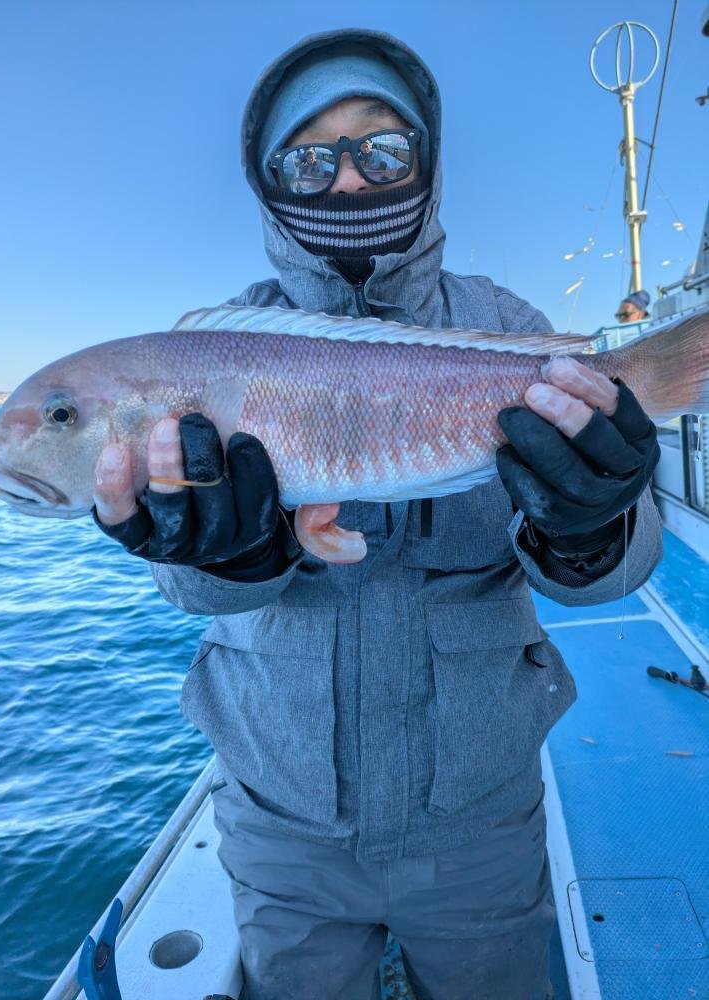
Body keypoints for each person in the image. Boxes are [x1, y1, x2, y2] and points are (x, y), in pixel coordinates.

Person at [91, 29, 662, 1000]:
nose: (349, 181)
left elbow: (615, 571)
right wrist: (225, 557)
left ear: (426, 164)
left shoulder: (510, 329)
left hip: (481, 815)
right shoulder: (210, 350)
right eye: (309, 160)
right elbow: (186, 587)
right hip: (281, 820)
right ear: (268, 185)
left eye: (382, 150)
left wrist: (592, 526)